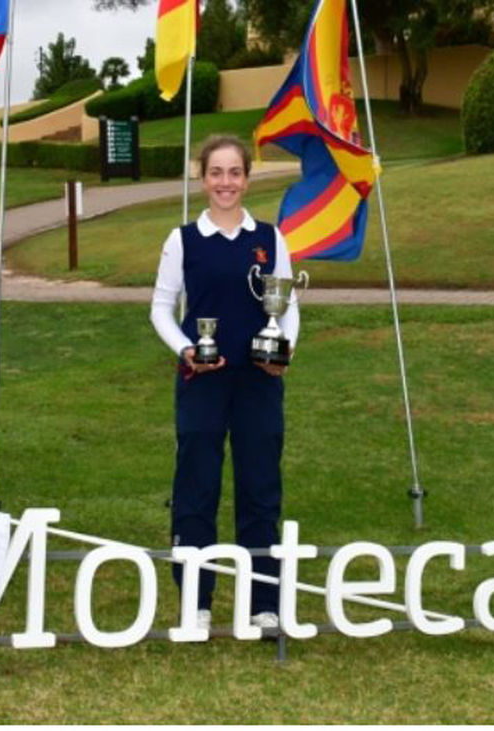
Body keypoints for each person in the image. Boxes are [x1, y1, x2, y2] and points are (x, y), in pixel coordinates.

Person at [150, 135, 300, 632]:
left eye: (235, 173)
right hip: (203, 381)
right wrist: (186, 349)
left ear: (247, 178)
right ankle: (197, 600)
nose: (225, 183)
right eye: (216, 173)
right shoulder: (182, 239)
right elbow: (161, 309)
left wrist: (285, 352)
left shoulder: (270, 238)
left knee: (260, 487)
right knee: (197, 488)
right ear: (202, 178)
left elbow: (287, 307)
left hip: (258, 381)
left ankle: (264, 601)